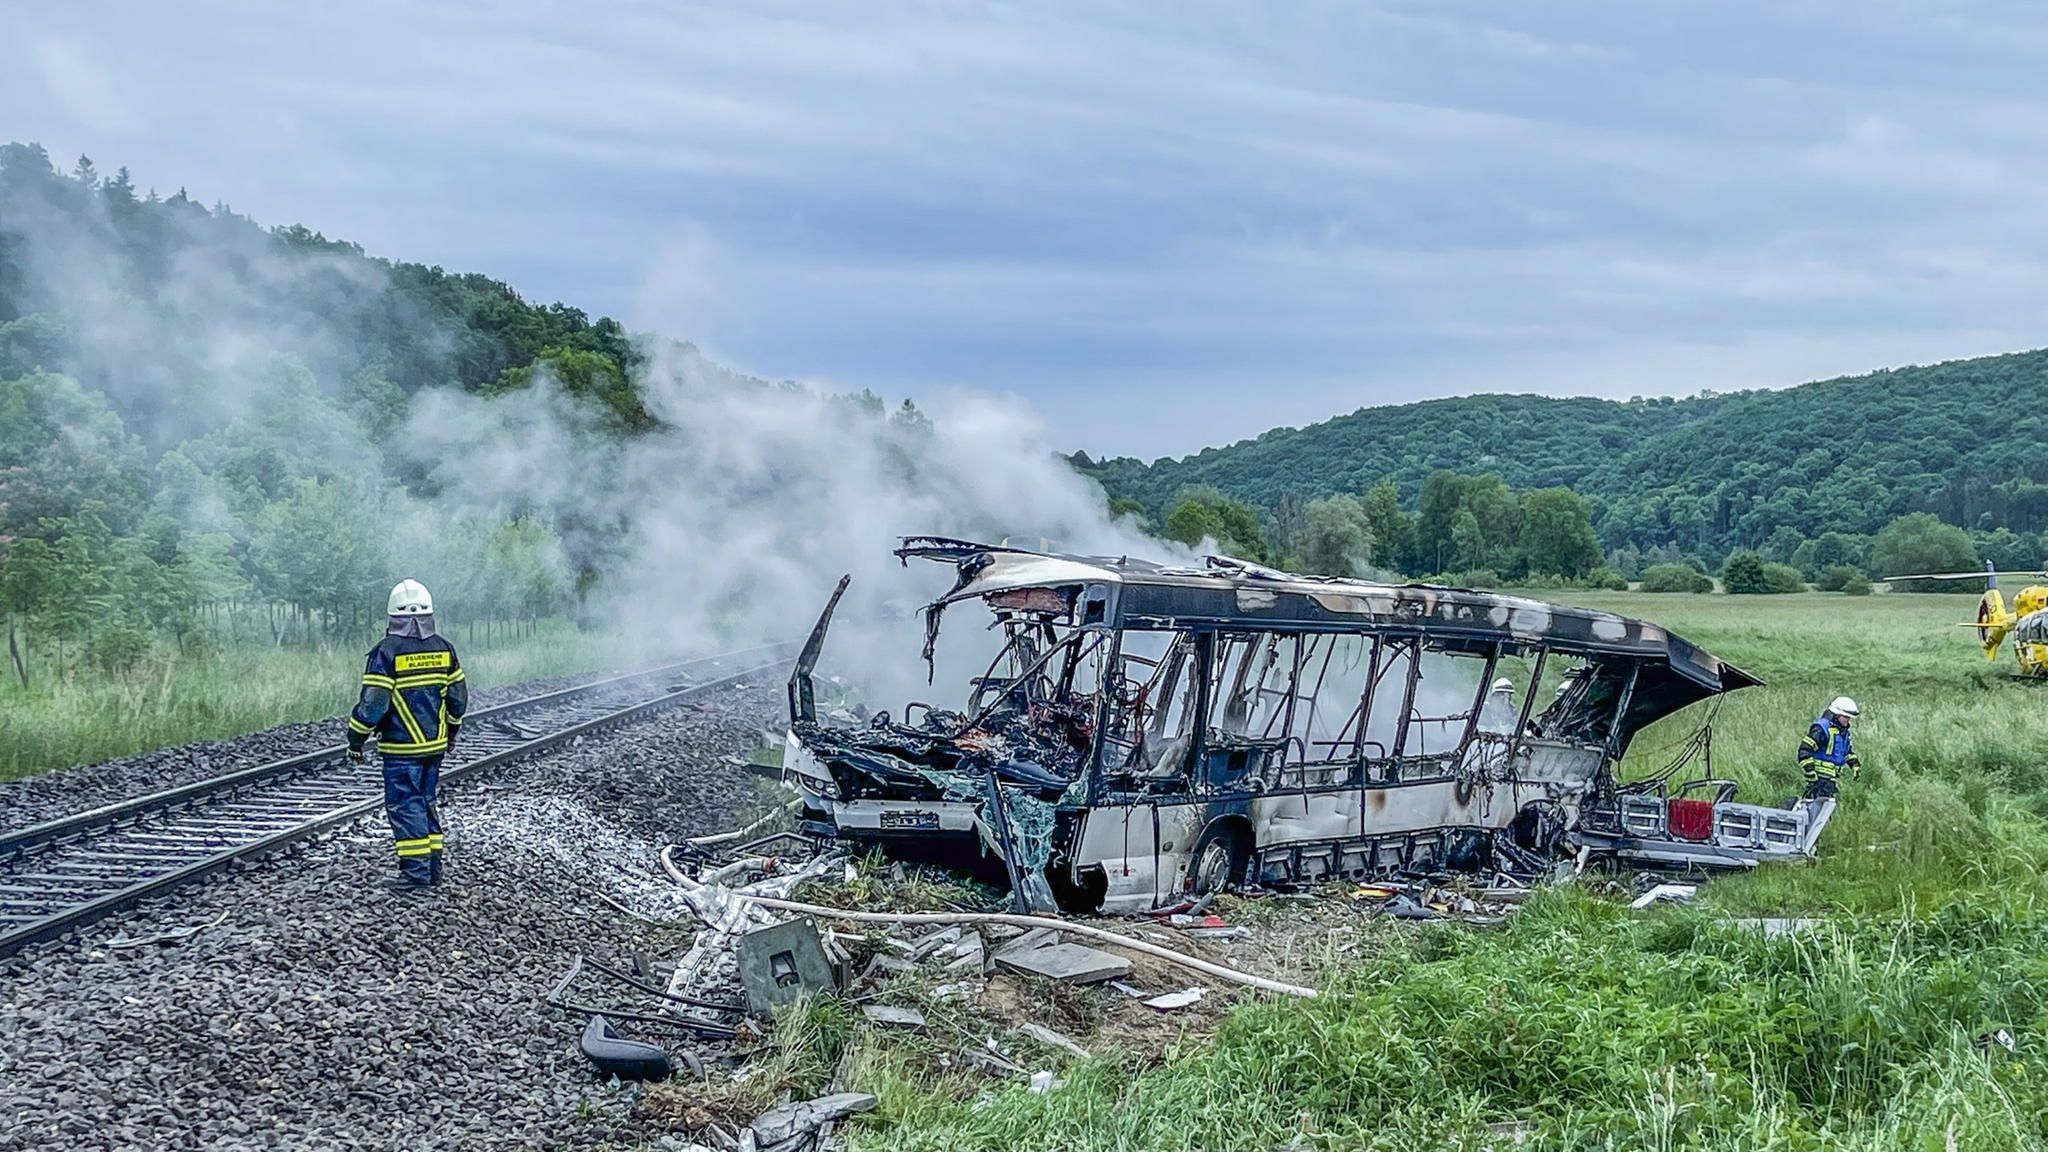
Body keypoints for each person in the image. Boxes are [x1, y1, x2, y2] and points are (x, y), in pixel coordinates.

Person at [347, 579, 467, 890]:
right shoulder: (444, 648)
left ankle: (416, 878)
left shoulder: (386, 653)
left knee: (405, 805)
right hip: (435, 746)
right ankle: (433, 871)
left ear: (392, 616)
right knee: (426, 801)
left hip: (402, 749)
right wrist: (452, 730)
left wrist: (355, 739)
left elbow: (373, 705)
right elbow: (458, 698)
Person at [1797, 696, 1861, 800]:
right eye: (1845, 717)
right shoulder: (1822, 728)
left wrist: (1855, 765)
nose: (1848, 720)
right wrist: (1810, 772)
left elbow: (1846, 752)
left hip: (1831, 780)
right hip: (1818, 780)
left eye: (1849, 718)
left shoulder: (1843, 732)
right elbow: (1805, 750)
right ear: (1836, 715)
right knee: (1819, 811)